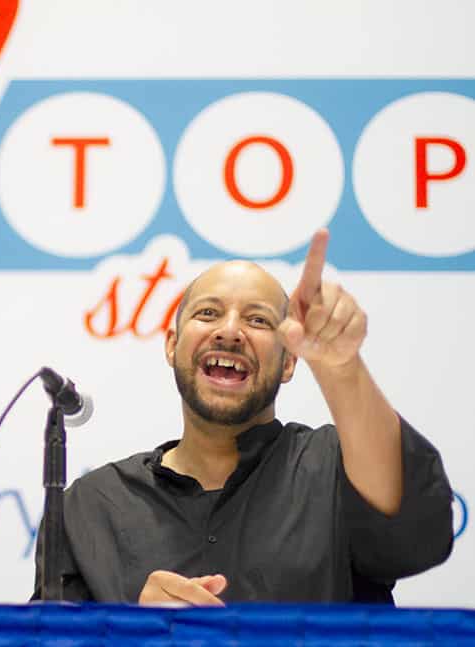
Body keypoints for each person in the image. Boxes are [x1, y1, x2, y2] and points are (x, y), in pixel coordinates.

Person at [33, 230, 453, 604]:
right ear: (172, 346)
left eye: (258, 320)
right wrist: (132, 635)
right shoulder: (90, 506)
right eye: (208, 313)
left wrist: (341, 366)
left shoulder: (336, 466)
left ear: (289, 362)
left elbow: (418, 540)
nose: (230, 331)